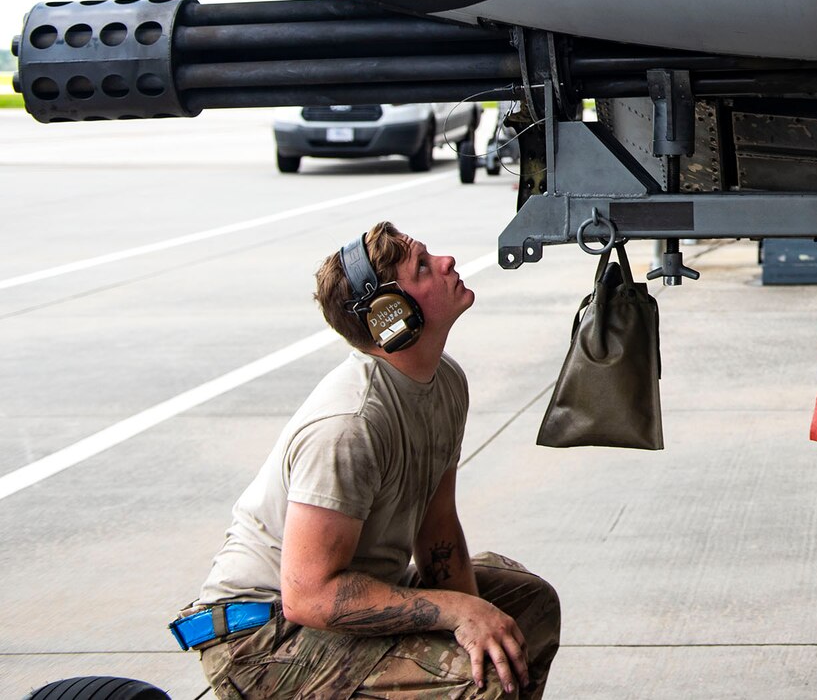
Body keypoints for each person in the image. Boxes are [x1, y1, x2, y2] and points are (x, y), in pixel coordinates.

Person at [169, 222, 561, 699]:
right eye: (423, 267)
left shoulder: (445, 382)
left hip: (345, 603)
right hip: (262, 641)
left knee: (527, 608)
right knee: (480, 679)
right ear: (390, 315)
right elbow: (308, 595)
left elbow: (437, 530)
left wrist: (477, 618)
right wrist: (458, 614)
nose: (446, 263)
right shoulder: (350, 423)